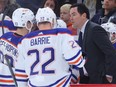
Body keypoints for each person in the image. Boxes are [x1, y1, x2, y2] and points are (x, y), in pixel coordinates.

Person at [15, 7, 85, 87]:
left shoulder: (24, 41)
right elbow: (76, 60)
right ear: (52, 21)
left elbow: (20, 74)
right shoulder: (62, 35)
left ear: (37, 23)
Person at [70, 3, 116, 84]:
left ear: (83, 15)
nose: (71, 18)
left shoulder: (95, 29)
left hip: (101, 79)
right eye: (70, 15)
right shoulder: (82, 32)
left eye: (73, 15)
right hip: (88, 78)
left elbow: (110, 52)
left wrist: (109, 74)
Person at [0, 8, 34, 86]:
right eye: (31, 22)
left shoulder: (4, 37)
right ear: (27, 24)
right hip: (15, 83)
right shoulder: (26, 44)